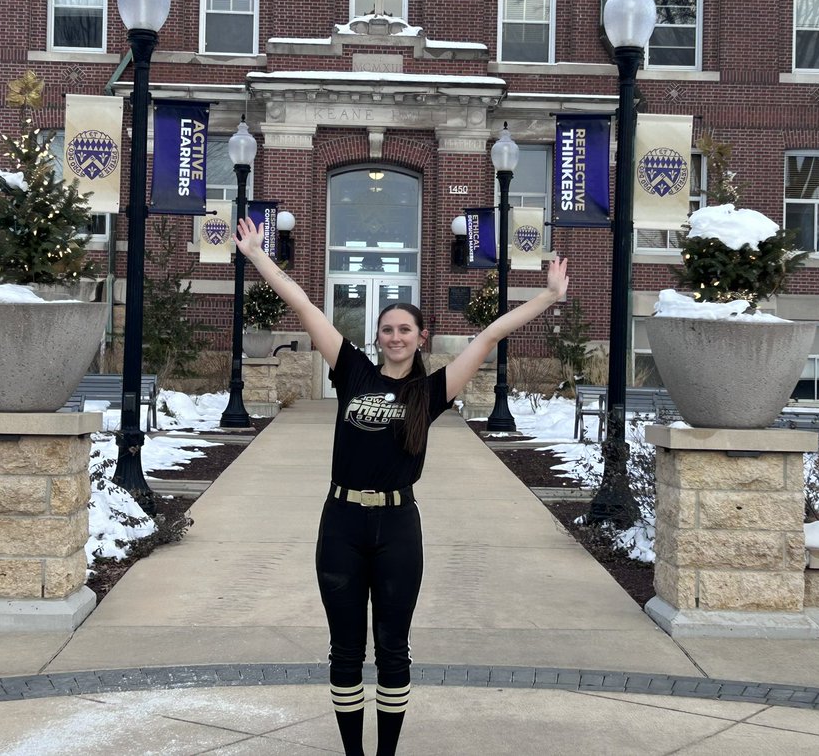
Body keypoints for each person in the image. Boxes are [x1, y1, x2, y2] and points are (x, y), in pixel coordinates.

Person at [234, 216, 569, 756]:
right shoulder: (352, 372)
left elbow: (489, 335)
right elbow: (304, 306)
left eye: (404, 329)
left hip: (397, 528)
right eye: (387, 329)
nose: (395, 337)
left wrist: (548, 298)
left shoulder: (432, 390)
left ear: (420, 338)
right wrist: (257, 256)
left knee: (393, 650)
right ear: (377, 337)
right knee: (345, 652)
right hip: (341, 523)